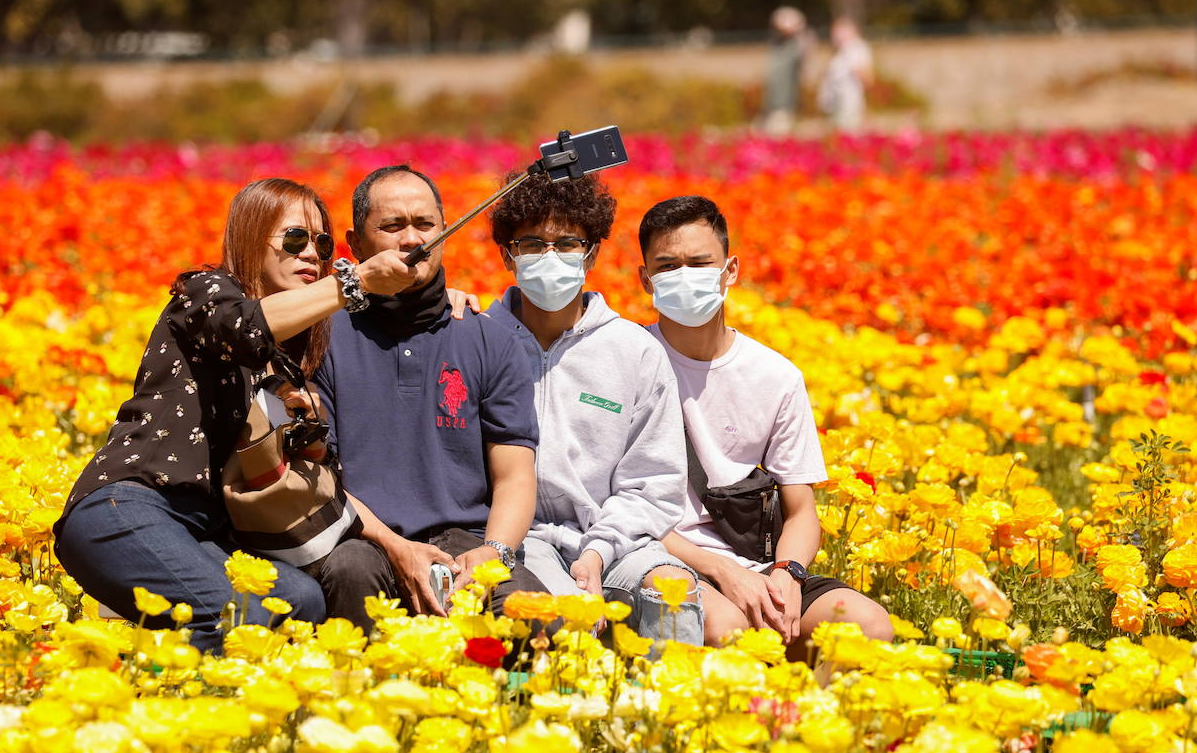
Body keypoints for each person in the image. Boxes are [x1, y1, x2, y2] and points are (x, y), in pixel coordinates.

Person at [54, 177, 417, 652]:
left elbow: (312, 486)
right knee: (228, 615)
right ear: (250, 238)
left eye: (323, 243)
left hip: (202, 531)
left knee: (300, 601)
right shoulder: (205, 295)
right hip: (129, 507)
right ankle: (185, 720)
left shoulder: (288, 362)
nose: (312, 253)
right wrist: (357, 280)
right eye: (294, 238)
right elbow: (246, 326)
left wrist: (444, 300)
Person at [636, 194, 892, 663]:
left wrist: (787, 574)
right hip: (653, 556)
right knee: (727, 631)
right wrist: (721, 571)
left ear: (729, 270)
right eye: (667, 266)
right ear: (645, 279)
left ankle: (801, 730)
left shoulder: (775, 376)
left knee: (867, 628)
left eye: (699, 262)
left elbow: (800, 511)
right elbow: (616, 506)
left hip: (753, 564)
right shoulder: (624, 360)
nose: (685, 277)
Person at [312, 164, 547, 629]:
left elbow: (514, 475)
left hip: (467, 540)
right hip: (362, 537)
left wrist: (493, 552)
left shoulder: (489, 340)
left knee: (533, 613)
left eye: (425, 224)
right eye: (392, 226)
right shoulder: (322, 340)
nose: (411, 240)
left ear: (445, 230)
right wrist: (395, 548)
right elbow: (318, 476)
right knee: (350, 573)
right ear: (355, 243)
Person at [484, 171, 702, 646]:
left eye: (566, 243)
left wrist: (600, 550)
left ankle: (674, 713)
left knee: (674, 589)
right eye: (531, 244)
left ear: (592, 252)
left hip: (615, 538)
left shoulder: (633, 350)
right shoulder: (480, 339)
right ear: (507, 255)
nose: (550, 257)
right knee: (568, 619)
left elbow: (654, 484)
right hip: (521, 540)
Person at [817, 16, 874, 131]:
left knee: (847, 132)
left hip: (848, 102)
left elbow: (865, 76)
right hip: (836, 102)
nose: (834, 35)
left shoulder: (856, 48)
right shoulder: (842, 50)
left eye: (838, 31)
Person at [762, 6, 812, 135]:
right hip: (772, 102)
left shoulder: (798, 44)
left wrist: (798, 28)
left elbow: (807, 47)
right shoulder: (777, 43)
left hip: (784, 104)